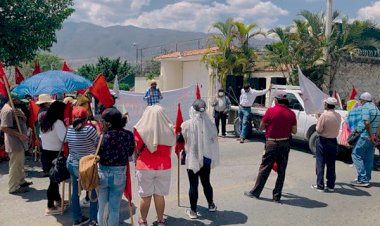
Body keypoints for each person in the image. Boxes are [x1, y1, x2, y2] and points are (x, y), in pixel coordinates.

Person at [244, 90, 296, 202]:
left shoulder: (270, 111)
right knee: (282, 170)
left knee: (265, 168)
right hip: (285, 143)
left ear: (276, 100)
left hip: (271, 143)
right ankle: (277, 196)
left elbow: (261, 127)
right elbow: (294, 131)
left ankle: (256, 192)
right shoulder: (291, 113)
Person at [134, 105, 175, 226]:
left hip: (144, 166)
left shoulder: (139, 129)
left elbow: (136, 148)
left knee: (145, 195)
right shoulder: (170, 129)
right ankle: (161, 220)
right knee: (159, 195)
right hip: (164, 166)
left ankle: (143, 220)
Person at [181, 99, 219, 219]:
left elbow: (180, 140)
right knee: (206, 182)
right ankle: (211, 204)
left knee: (193, 184)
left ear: (193, 109)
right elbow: (213, 139)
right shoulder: (210, 123)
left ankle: (193, 211)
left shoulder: (186, 124)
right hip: (206, 158)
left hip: (192, 158)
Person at [97, 108, 135, 226]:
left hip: (102, 172)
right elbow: (129, 153)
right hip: (119, 173)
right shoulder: (128, 135)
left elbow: (97, 154)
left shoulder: (102, 137)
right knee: (114, 208)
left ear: (108, 123)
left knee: (102, 207)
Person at [66, 106, 99, 226]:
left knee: (76, 192)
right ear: (86, 119)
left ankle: (77, 219)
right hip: (87, 166)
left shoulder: (68, 129)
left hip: (72, 163)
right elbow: (98, 143)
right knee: (93, 191)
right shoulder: (89, 130)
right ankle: (93, 220)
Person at [40, 101, 67, 215]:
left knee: (54, 179)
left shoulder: (45, 121)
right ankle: (50, 205)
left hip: (46, 153)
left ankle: (58, 200)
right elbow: (64, 138)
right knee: (54, 181)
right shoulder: (58, 123)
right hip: (56, 154)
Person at [1, 93, 31, 194]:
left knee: (20, 163)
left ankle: (21, 181)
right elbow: (4, 128)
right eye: (19, 100)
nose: (21, 102)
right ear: (13, 99)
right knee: (15, 165)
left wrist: (22, 116)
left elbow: (24, 121)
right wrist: (19, 135)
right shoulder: (8, 110)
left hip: (20, 142)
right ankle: (13, 187)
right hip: (14, 142)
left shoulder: (16, 109)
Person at [311, 97, 341, 192]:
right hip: (333, 141)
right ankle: (330, 185)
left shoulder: (324, 115)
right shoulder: (338, 115)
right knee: (331, 164)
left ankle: (320, 185)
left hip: (323, 141)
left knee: (320, 163)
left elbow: (319, 130)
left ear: (327, 105)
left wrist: (318, 119)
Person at [350, 92, 380, 187]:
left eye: (360, 100)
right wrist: (376, 136)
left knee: (356, 155)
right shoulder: (376, 108)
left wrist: (371, 135)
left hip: (365, 136)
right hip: (373, 137)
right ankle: (367, 178)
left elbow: (366, 122)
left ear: (363, 100)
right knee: (368, 158)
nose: (360, 102)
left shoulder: (366, 108)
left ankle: (362, 179)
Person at [36, 94, 55, 177]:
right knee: (48, 153)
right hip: (48, 134)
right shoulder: (46, 112)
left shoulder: (41, 111)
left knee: (45, 152)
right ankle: (47, 169)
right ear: (45, 103)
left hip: (43, 134)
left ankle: (45, 169)